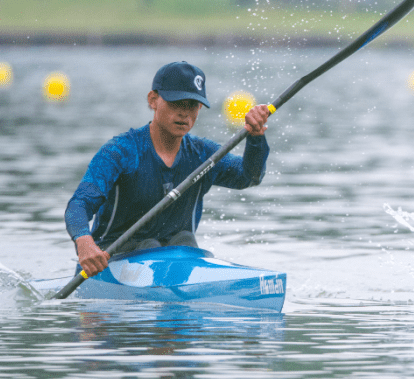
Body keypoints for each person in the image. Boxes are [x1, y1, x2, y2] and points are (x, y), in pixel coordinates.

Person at [64, 61, 272, 277]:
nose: (184, 113)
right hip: (110, 265)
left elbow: (249, 177)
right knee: (150, 245)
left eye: (192, 105)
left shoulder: (203, 155)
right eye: (176, 103)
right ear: (153, 100)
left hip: (176, 263)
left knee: (184, 241)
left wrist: (256, 138)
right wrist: (84, 242)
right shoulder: (121, 152)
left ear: (200, 108)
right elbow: (79, 204)